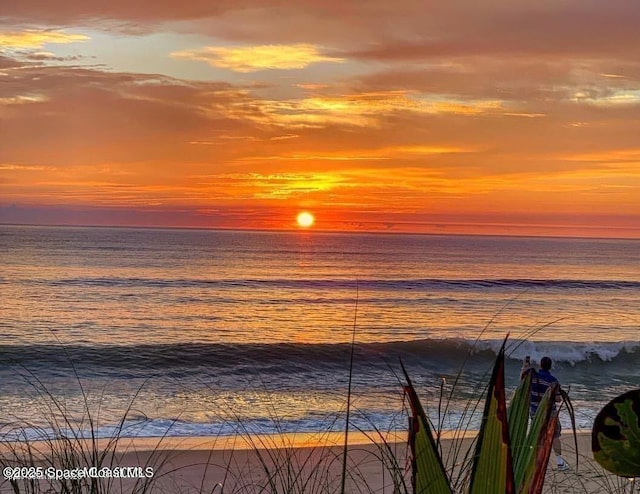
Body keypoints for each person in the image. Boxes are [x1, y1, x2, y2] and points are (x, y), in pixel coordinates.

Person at [522, 356, 569, 471]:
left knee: (537, 434)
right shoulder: (553, 380)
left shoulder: (533, 376)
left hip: (534, 410)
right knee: (555, 435)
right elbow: (558, 399)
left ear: (540, 365)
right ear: (550, 366)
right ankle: (560, 462)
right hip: (549, 412)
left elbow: (523, 378)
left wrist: (525, 365)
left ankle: (535, 461)